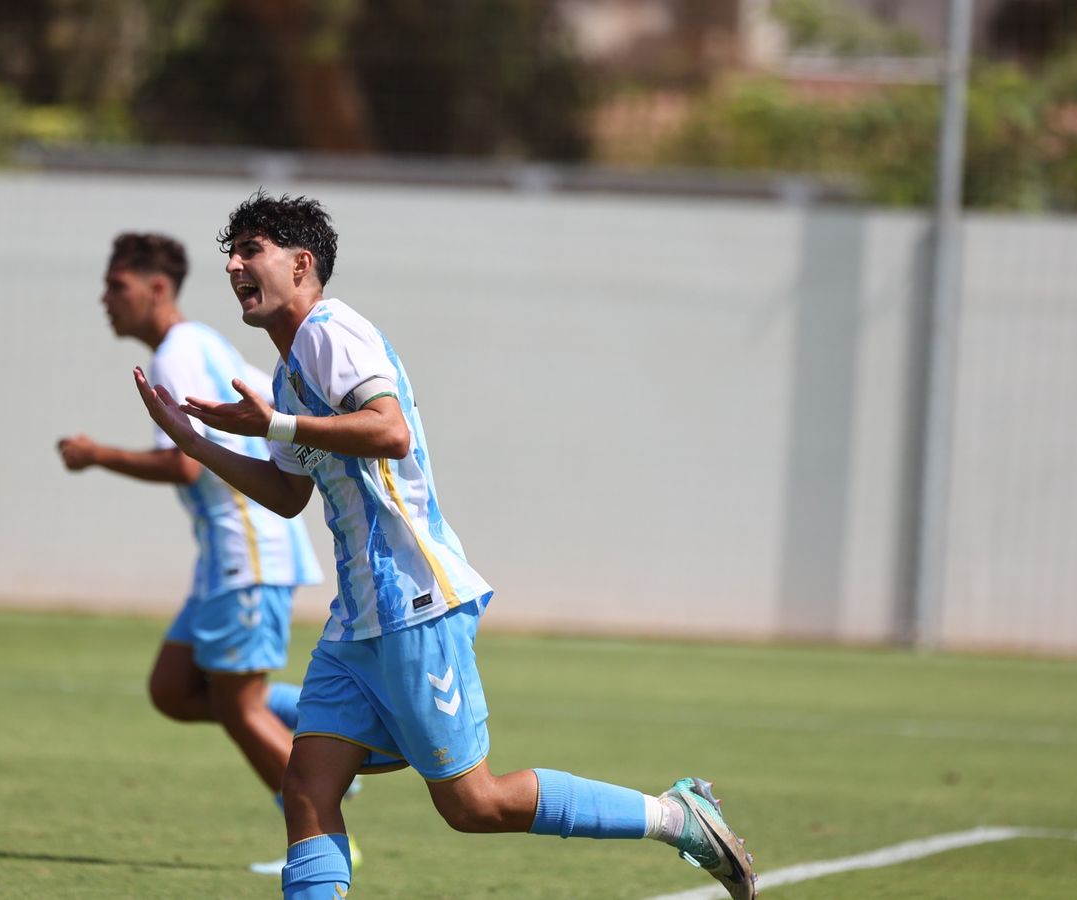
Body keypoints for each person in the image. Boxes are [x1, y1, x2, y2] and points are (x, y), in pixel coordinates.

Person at [131, 193, 757, 900]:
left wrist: (276, 425)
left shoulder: (332, 331)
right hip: (358, 620)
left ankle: (677, 817)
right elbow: (286, 494)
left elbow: (388, 430)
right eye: (233, 251)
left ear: (301, 263)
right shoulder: (289, 369)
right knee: (306, 789)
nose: (233, 263)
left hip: (414, 600)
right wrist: (196, 443)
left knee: (473, 804)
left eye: (252, 248)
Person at [59, 231, 342, 873]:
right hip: (223, 555)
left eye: (117, 286)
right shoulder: (195, 345)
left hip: (246, 549)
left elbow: (186, 467)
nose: (106, 299)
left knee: (236, 705)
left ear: (157, 289)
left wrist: (96, 454)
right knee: (173, 688)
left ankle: (323, 830)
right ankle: (317, 732)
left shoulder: (178, 352)